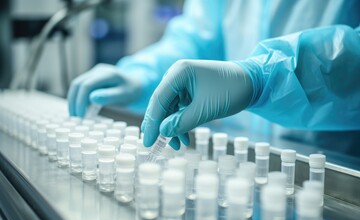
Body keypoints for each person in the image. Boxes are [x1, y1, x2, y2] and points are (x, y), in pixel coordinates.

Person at [68, 0, 360, 153]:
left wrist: (262, 79)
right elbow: (198, 38)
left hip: (338, 171)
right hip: (236, 157)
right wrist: (143, 76)